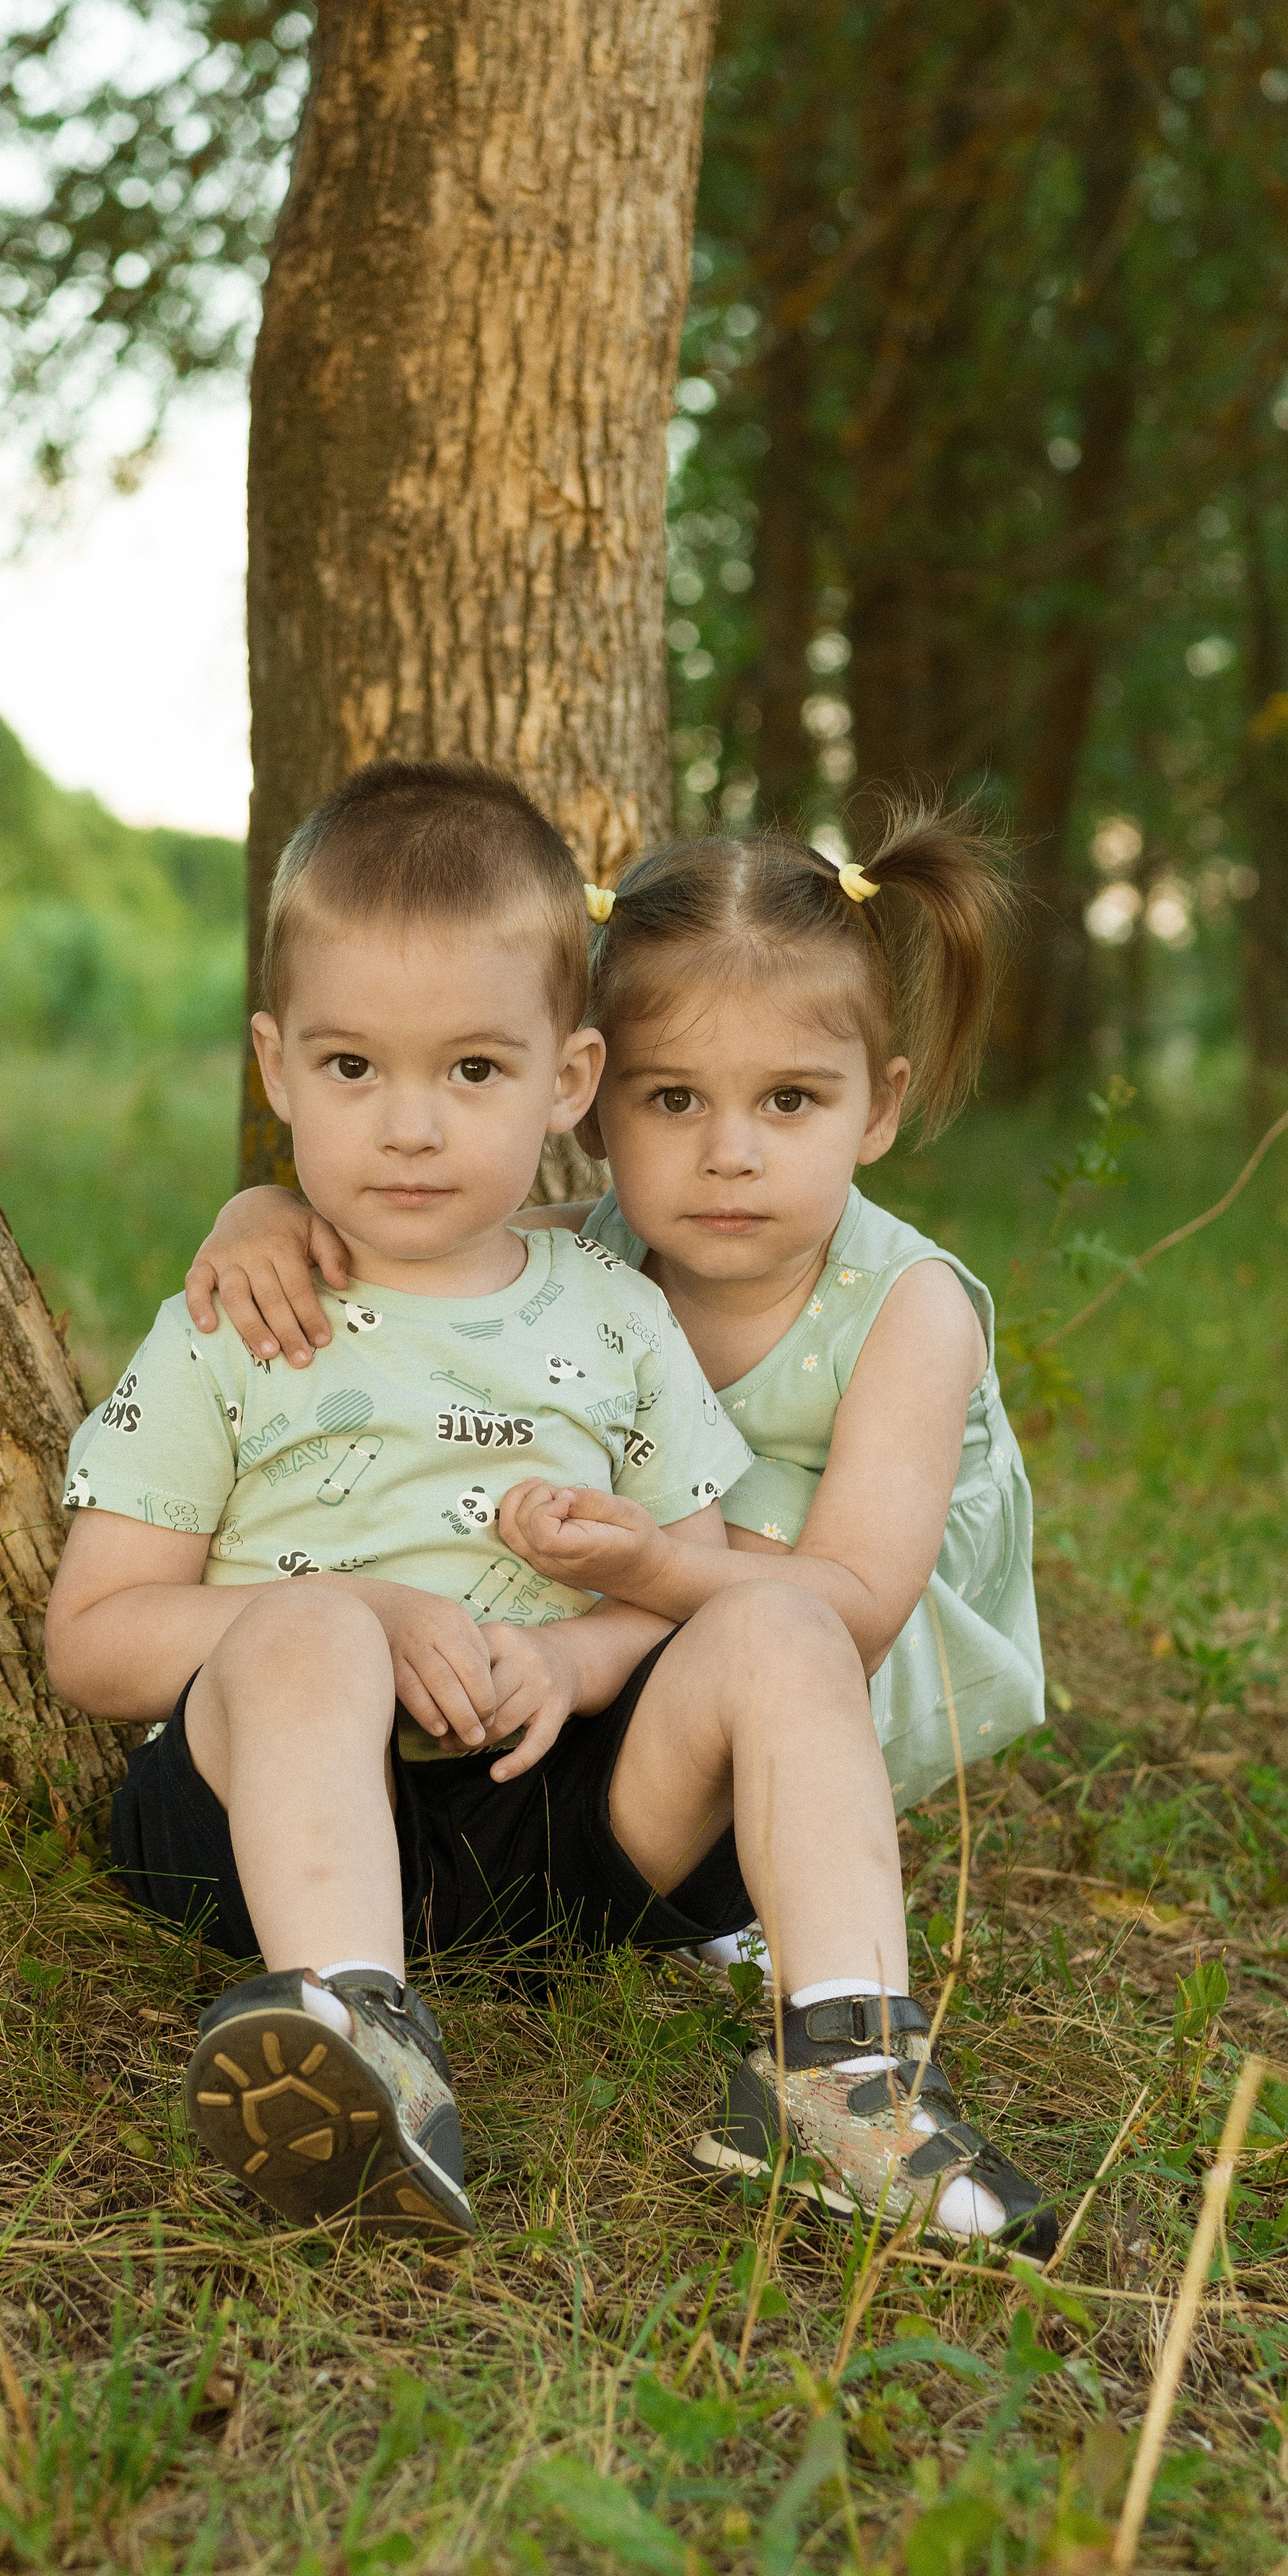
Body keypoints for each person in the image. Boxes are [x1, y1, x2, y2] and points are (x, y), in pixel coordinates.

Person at [52, 762, 1052, 2256]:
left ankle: (844, 2071)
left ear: (561, 1083)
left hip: (558, 1821)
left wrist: (570, 1661)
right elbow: (93, 1643)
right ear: (272, 1069)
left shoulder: (615, 1307)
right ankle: (352, 2031)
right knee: (318, 1622)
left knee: (771, 1621)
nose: (407, 1130)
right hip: (275, 1819)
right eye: (349, 1072)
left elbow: (685, 1586)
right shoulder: (238, 1311)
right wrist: (367, 1614)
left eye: (468, 1073)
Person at [187, 810, 1044, 1983]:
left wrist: (648, 1569)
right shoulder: (586, 1262)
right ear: (588, 1105)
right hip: (629, 1638)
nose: (729, 1154)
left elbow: (856, 1606)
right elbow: (410, 1251)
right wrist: (261, 1215)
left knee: (771, 1619)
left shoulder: (910, 1311)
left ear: (879, 1109)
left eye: (789, 1101)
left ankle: (779, 1909)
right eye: (673, 1101)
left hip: (811, 1624)